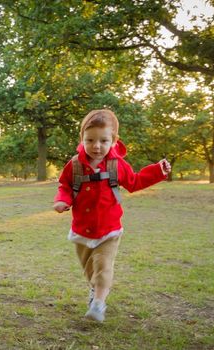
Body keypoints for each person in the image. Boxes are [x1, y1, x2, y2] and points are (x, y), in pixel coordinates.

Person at [53, 109, 171, 322]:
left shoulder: (117, 165)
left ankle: (98, 304)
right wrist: (63, 200)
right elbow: (66, 185)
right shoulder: (75, 164)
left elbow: (135, 182)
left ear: (114, 141)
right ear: (82, 139)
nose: (96, 146)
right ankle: (96, 289)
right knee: (90, 269)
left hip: (109, 230)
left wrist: (157, 171)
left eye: (103, 140)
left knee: (103, 266)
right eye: (90, 140)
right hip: (81, 229)